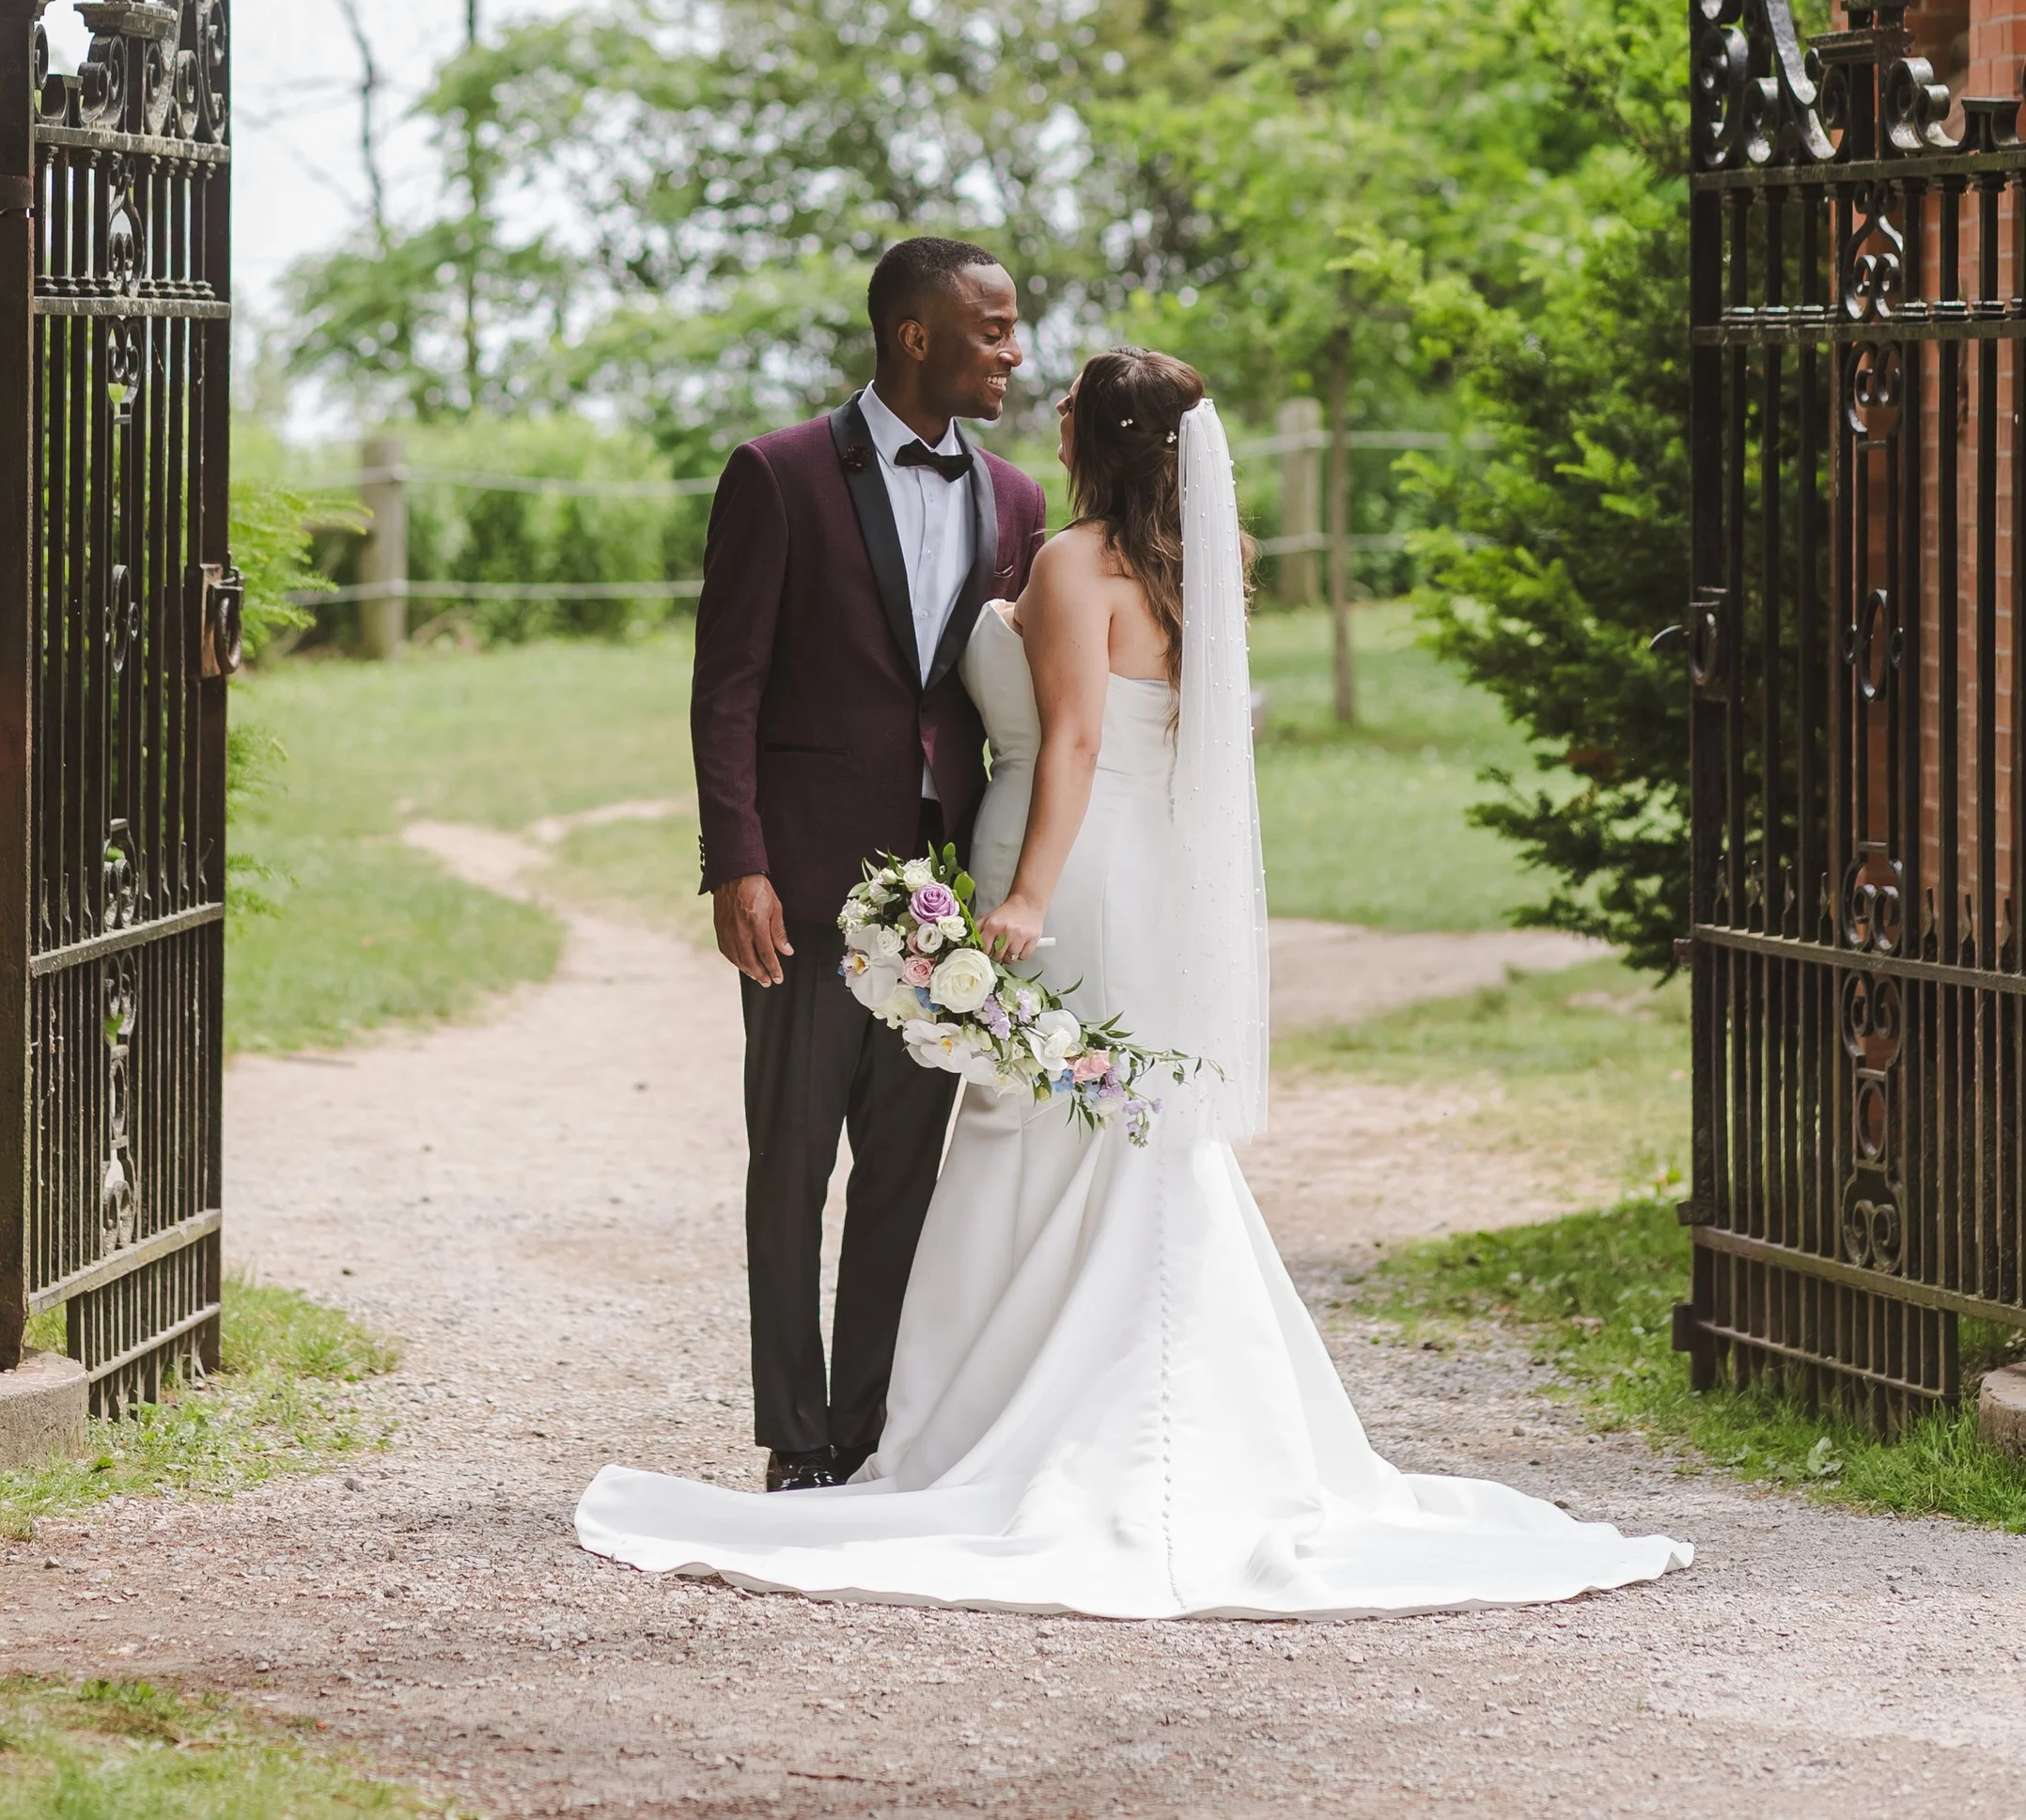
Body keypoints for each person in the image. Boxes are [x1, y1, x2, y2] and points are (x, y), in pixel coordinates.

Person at [578, 349, 1692, 1616]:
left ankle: (994, 1423)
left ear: (1097, 439)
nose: (1034, 405)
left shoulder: (1060, 557)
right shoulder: (1200, 565)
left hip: (1067, 866)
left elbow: (1076, 736)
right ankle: (1139, 1411)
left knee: (1036, 1121)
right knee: (1118, 1124)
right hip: (1146, 873)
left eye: (1061, 405)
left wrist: (1032, 893)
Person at [685, 235, 1047, 1492]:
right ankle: (795, 1437)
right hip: (803, 881)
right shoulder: (776, 475)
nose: (1014, 349)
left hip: (944, 897)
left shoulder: (1017, 501)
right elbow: (724, 686)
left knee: (904, 1171)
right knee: (791, 1167)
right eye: (994, 328)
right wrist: (738, 861)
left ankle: (871, 1424)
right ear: (916, 335)